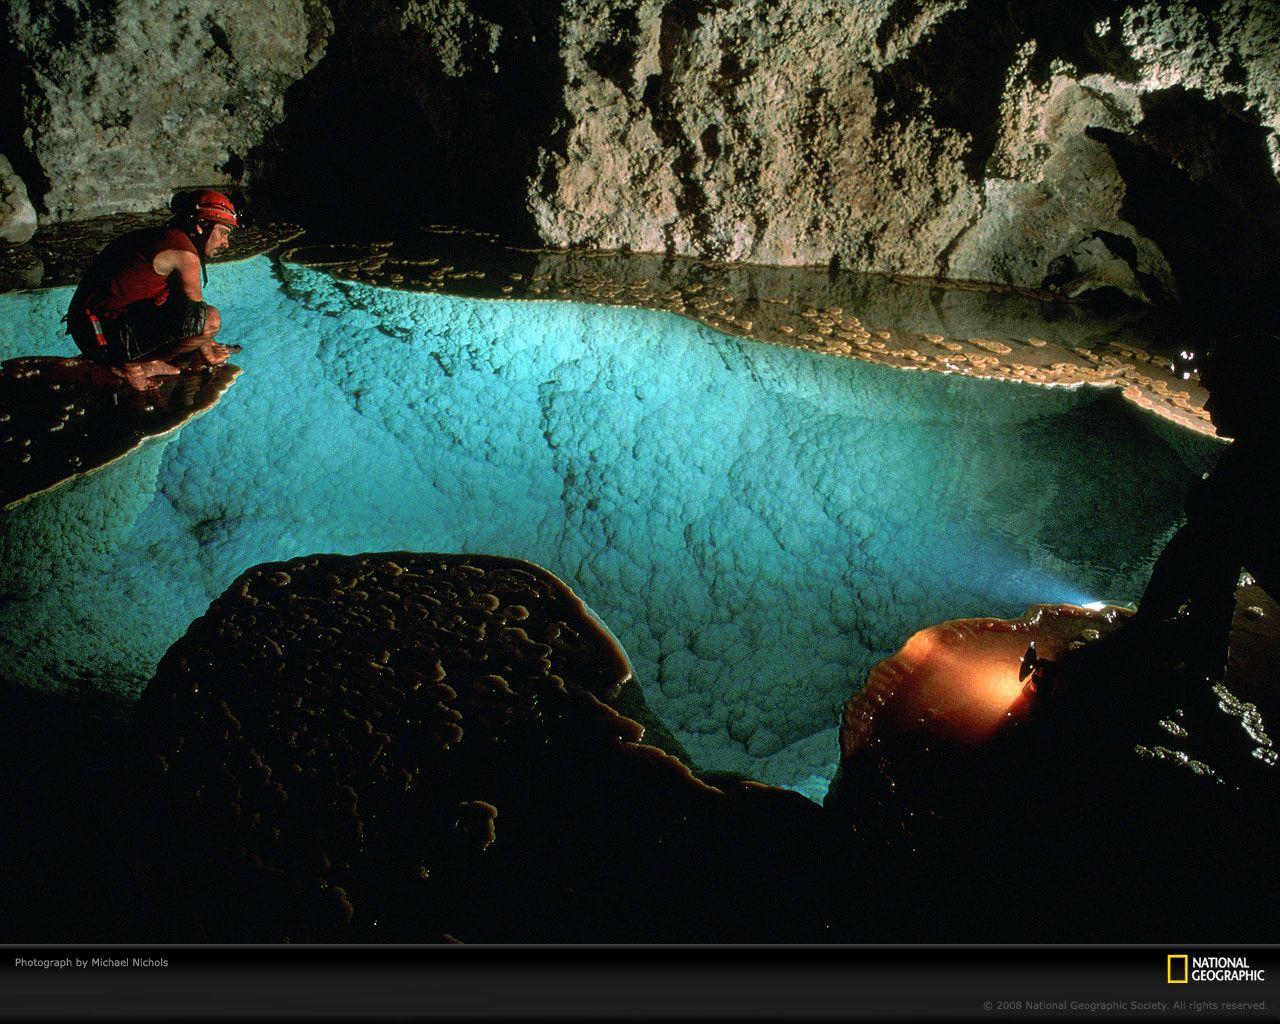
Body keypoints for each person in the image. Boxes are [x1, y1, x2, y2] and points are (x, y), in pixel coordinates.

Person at [65, 189, 240, 391]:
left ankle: (132, 357)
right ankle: (131, 367)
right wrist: (208, 351)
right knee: (210, 320)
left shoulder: (164, 235)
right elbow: (196, 314)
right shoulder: (184, 254)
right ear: (201, 226)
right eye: (223, 233)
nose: (226, 243)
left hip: (87, 327)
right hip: (99, 338)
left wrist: (208, 343)